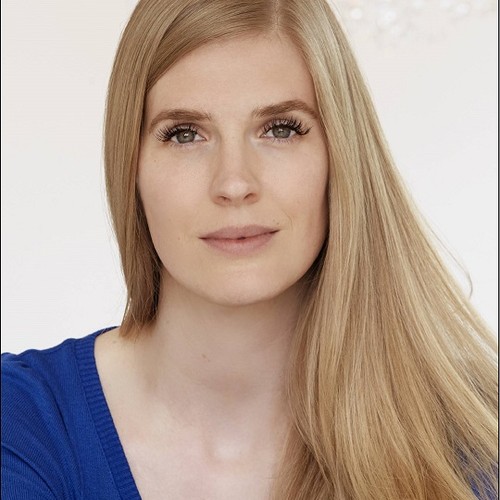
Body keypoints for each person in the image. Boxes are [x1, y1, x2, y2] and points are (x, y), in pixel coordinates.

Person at [1, 0, 497, 498]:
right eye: (185, 135)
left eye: (280, 129)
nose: (234, 183)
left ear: (340, 155)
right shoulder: (21, 424)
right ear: (130, 166)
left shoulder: (476, 440)